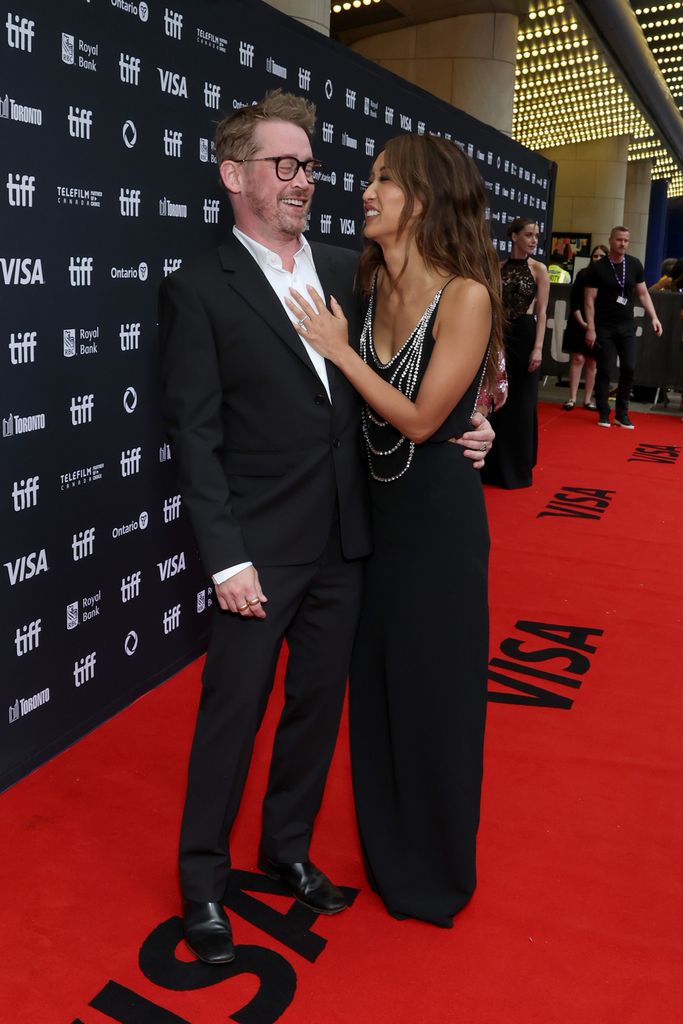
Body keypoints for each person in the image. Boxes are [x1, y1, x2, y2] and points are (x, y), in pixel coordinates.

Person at [159, 92, 494, 963]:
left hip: (351, 544)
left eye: (309, 166)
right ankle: (202, 883)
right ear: (235, 177)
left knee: (316, 711)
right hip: (258, 554)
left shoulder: (354, 267)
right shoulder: (198, 290)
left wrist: (476, 419)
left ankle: (287, 851)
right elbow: (192, 437)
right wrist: (223, 558)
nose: (304, 181)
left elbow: (420, 359)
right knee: (232, 715)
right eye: (283, 166)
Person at [286, 133, 504, 927]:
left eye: (385, 179)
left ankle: (435, 871)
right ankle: (388, 853)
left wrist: (343, 353)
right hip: (372, 522)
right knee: (376, 695)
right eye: (371, 175)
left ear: (423, 197)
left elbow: (417, 419)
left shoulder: (466, 295)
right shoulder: (366, 278)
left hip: (438, 530)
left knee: (434, 697)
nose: (366, 188)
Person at [481, 217, 549, 488]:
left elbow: (543, 313)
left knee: (522, 403)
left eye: (536, 236)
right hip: (500, 336)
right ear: (514, 237)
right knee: (498, 401)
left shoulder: (539, 269)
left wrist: (539, 349)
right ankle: (493, 467)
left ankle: (518, 470)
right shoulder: (498, 268)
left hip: (526, 335)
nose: (533, 240)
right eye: (529, 235)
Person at [584, 225, 663, 428]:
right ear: (611, 240)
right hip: (604, 326)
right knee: (605, 368)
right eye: (619, 240)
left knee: (629, 367)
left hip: (627, 325)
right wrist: (591, 327)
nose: (622, 244)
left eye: (626, 240)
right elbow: (589, 300)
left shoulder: (635, 264)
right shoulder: (598, 267)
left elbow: (643, 293)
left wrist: (654, 317)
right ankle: (603, 411)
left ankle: (622, 413)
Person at [562, 243, 609, 410]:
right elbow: (574, 302)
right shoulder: (583, 275)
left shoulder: (609, 278)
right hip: (578, 322)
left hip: (599, 325)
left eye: (602, 256)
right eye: (595, 256)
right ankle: (572, 398)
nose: (597, 259)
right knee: (577, 358)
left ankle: (588, 400)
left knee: (592, 363)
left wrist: (594, 326)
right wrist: (583, 323)